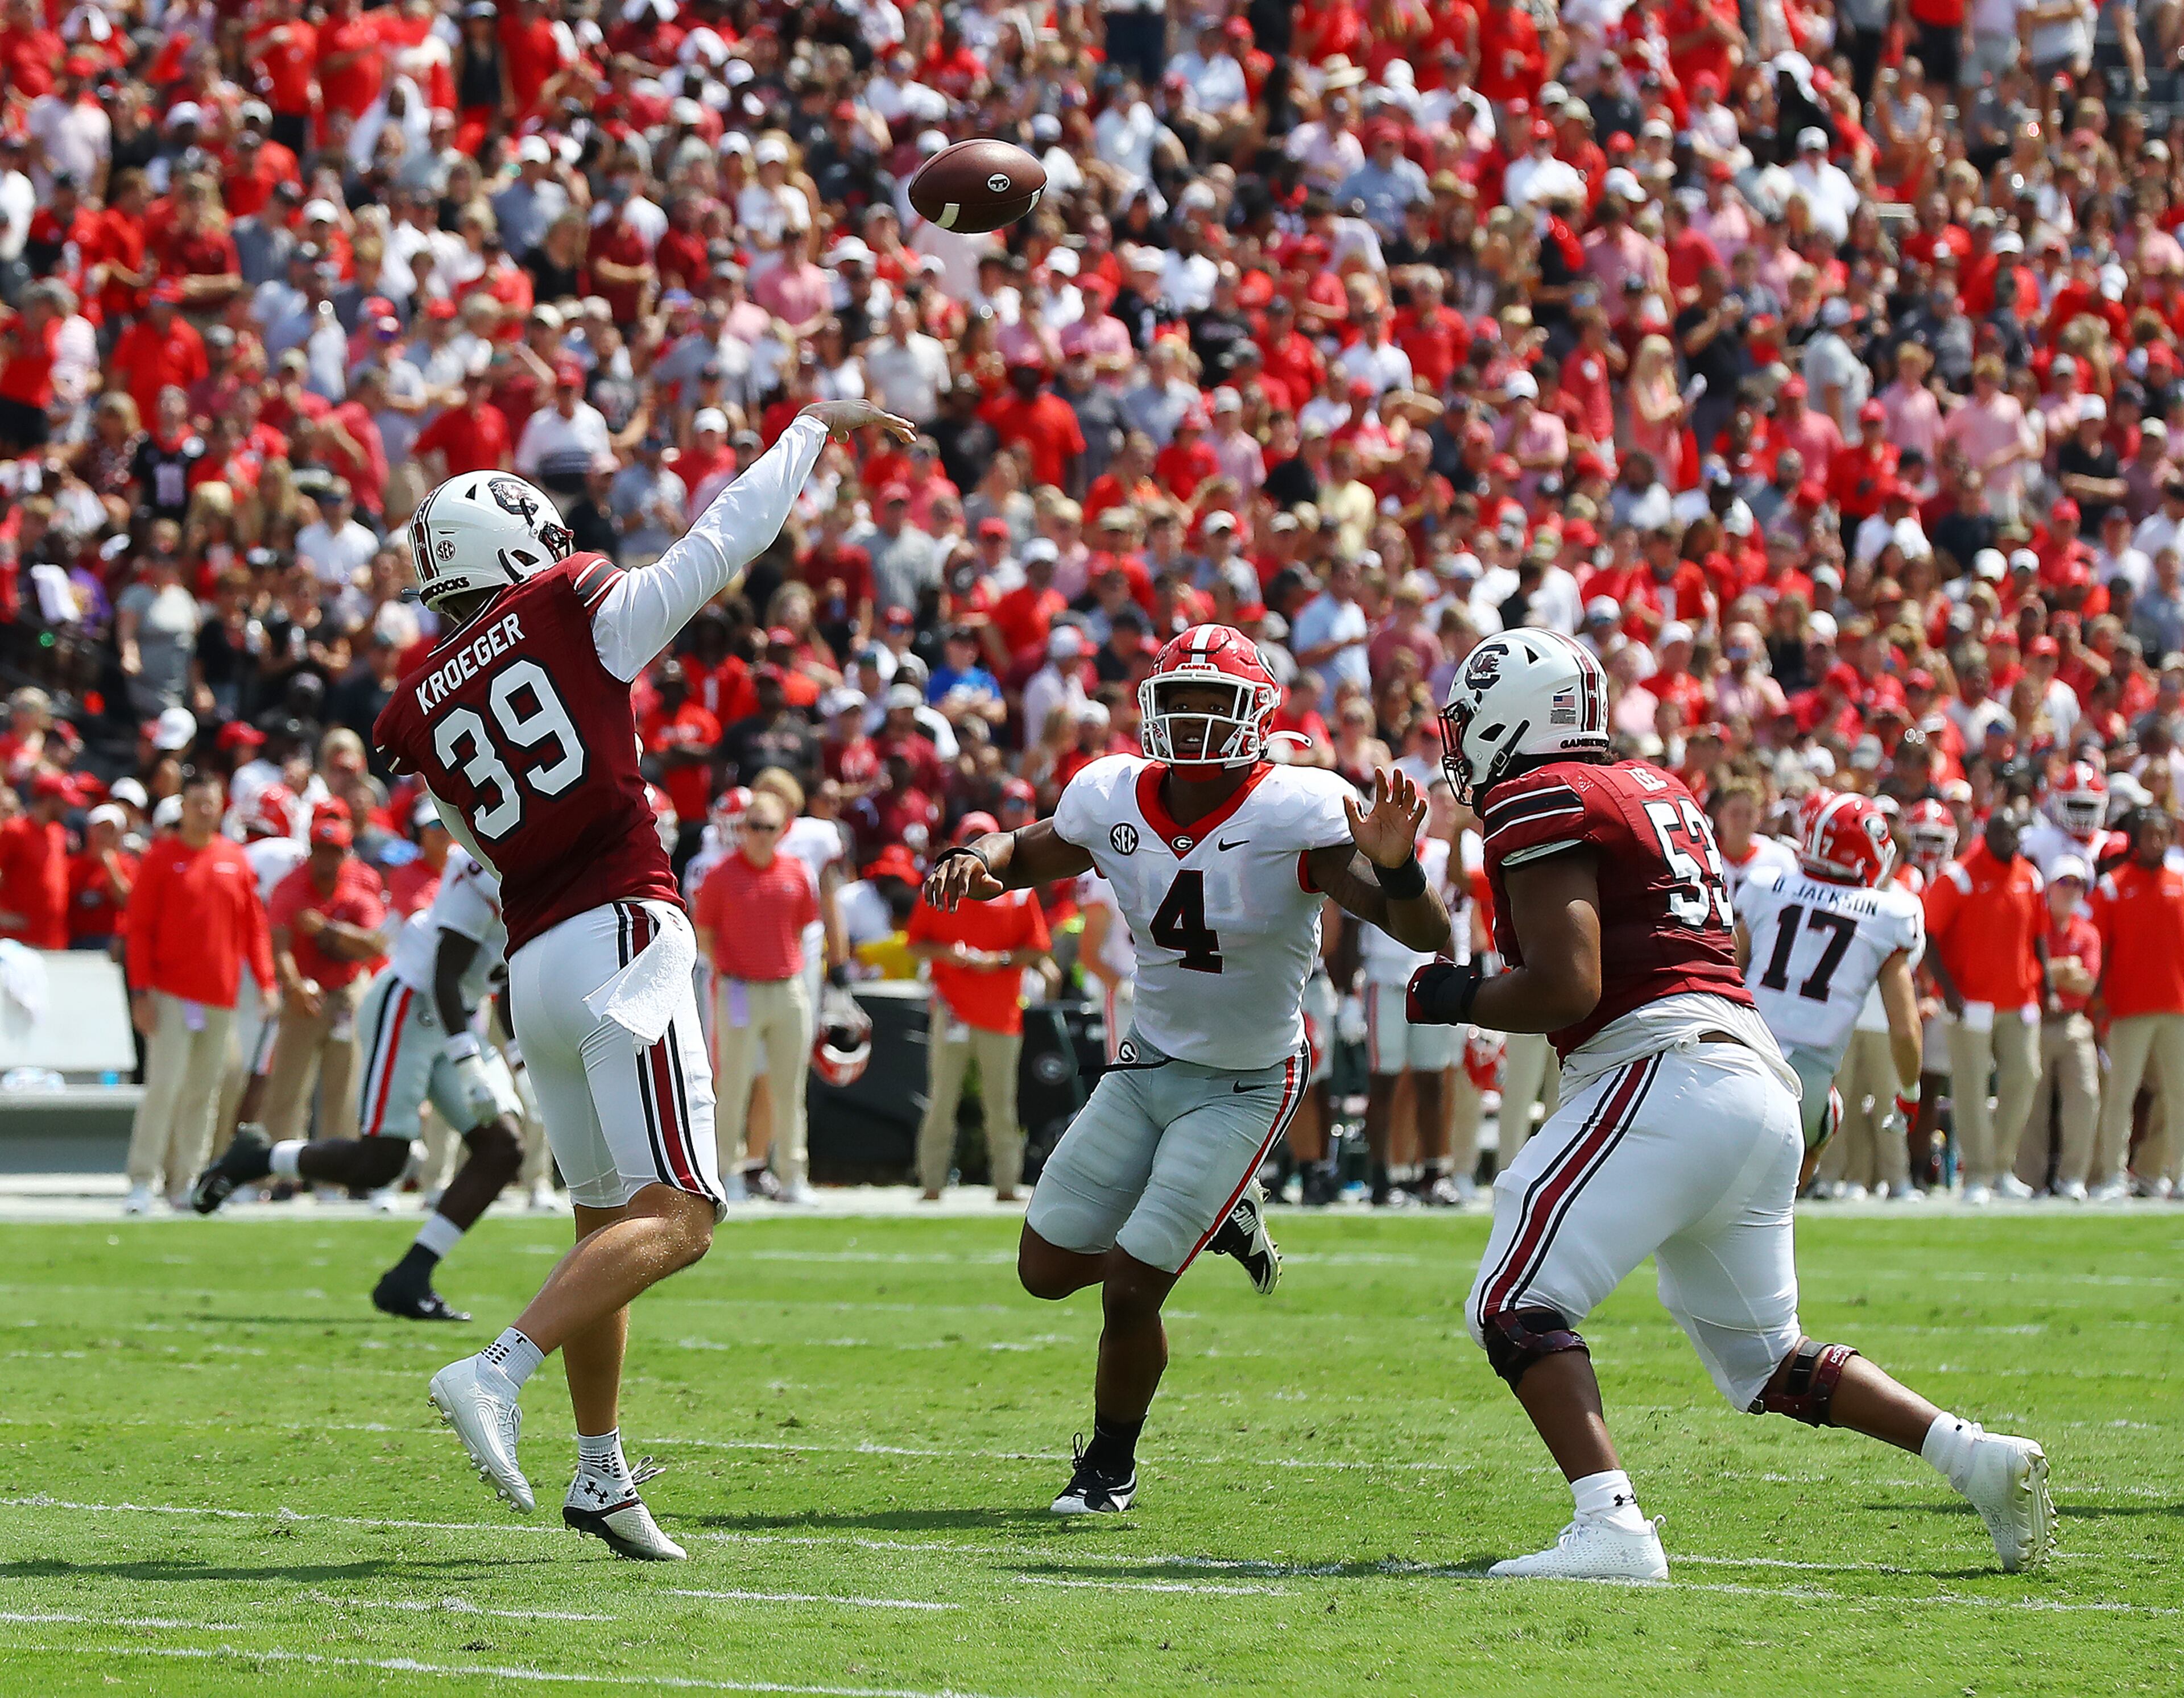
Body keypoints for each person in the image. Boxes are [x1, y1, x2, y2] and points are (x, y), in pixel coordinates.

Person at [374, 397, 912, 1560]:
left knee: (603, 1224)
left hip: (535, 963)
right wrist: (808, 433)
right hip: (622, 932)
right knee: (683, 1217)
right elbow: (722, 545)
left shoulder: (418, 697)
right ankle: (497, 1367)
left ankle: (600, 1472)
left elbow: (477, 842)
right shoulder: (570, 609)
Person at [1407, 628, 2051, 1580]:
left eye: (1469, 719)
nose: (1461, 742)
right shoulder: (1657, 785)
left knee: (1512, 1298)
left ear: (1513, 711)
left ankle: (1613, 1527)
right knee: (1769, 1362)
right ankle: (1974, 1456)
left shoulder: (1540, 793)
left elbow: (1569, 988)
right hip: (1755, 1079)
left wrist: (1453, 996)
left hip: (1662, 1071)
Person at [920, 624, 1453, 1515]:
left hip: (1246, 1080)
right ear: (1150, 710)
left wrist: (1397, 871)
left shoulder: (1299, 806)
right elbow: (1031, 846)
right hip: (1146, 1063)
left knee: (1132, 1285)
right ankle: (1222, 1216)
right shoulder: (1113, 793)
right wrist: (976, 861)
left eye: (1217, 704)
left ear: (1258, 716)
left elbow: (1425, 933)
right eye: (1182, 703)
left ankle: (1109, 1468)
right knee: (1046, 1268)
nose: (1198, 722)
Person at [192, 848, 528, 1323]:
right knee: (380, 1161)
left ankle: (410, 1277)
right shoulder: (484, 870)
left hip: (454, 1015)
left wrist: (517, 1059)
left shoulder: (549, 880)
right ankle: (259, 1157)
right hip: (410, 1005)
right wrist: (470, 1061)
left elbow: (511, 978)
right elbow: (443, 973)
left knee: (502, 1150)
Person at [1732, 793, 1926, 1199]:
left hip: (1740, 1053)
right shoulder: (1887, 914)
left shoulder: (1767, 885)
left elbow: (1727, 971)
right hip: (1808, 1075)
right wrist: (1909, 1092)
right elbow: (1906, 1030)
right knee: (1818, 1129)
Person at [120, 772, 276, 1215]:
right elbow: (139, 930)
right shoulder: (160, 858)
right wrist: (141, 991)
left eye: (211, 804)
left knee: (205, 1093)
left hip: (220, 996)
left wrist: (265, 982)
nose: (204, 811)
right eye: (196, 804)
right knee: (164, 1086)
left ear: (221, 807)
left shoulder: (236, 860)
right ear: (183, 808)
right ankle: (142, 1179)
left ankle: (186, 1180)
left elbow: (254, 929)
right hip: (170, 992)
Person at [907, 811, 1053, 1203]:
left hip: (1001, 1011)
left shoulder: (1019, 892)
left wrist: (1000, 961)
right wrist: (948, 955)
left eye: (981, 838)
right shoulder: (940, 885)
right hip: (952, 1007)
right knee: (942, 1100)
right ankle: (931, 1183)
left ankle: (1007, 1184)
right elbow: (915, 942)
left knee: (1001, 1104)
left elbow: (1036, 948)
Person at [692, 788, 821, 1204]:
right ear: (741, 829)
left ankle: (792, 1177)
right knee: (732, 1084)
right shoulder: (720, 876)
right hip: (739, 988)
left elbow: (802, 928)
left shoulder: (797, 874)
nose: (760, 835)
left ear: (782, 831)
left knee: (789, 1088)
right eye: (753, 827)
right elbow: (705, 934)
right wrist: (734, 969)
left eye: (768, 827)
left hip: (786, 987)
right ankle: (725, 1174)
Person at [1924, 802, 2049, 1203]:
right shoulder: (1958, 877)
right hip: (1969, 1004)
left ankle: (2001, 1166)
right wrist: (1949, 992)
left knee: (2025, 1075)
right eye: (2002, 834)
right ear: (1986, 834)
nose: (2009, 841)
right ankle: (1976, 1174)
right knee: (1971, 1087)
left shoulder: (2029, 877)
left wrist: (2042, 985)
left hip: (2019, 1000)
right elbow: (1930, 935)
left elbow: (2039, 935)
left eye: (2014, 834)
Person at [1357, 776, 1474, 1206]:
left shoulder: (1443, 853)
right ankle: (1381, 1176)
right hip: (1384, 975)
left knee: (1431, 1079)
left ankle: (1432, 1171)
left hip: (1428, 975)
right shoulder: (1366, 856)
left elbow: (1456, 901)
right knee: (1383, 1081)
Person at [259, 801, 386, 1149]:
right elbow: (280, 943)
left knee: (344, 1085)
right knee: (287, 1086)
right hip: (305, 990)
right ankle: (276, 1169)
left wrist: (327, 930)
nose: (327, 860)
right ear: (310, 851)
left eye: (335, 852)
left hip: (347, 987)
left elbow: (376, 943)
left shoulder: (362, 883)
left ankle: (336, 1167)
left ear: (346, 853)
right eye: (321, 851)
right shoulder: (291, 886)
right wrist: (295, 986)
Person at [2086, 807, 2184, 1200]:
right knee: (2120, 1096)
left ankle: (2175, 1173)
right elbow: (2099, 951)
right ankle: (2112, 1174)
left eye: (2163, 835)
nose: (2156, 843)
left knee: (2179, 1096)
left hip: (2176, 1007)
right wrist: (2098, 1002)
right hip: (2126, 1008)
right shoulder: (2111, 888)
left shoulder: (2181, 886)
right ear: (2136, 840)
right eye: (2149, 835)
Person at [2014, 855, 2102, 1200]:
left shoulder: (2087, 932)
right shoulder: (2034, 927)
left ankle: (2072, 1178)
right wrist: (2065, 968)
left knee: (2084, 1099)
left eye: (2077, 884)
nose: (2071, 891)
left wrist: (2050, 970)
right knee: (2030, 1105)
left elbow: (2088, 984)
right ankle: (2029, 1179)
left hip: (2074, 1024)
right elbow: (2028, 975)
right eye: (2064, 883)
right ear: (2048, 888)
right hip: (2035, 1020)